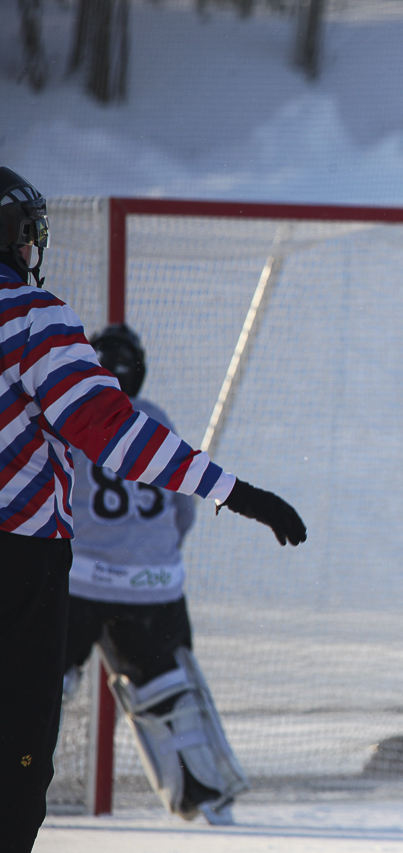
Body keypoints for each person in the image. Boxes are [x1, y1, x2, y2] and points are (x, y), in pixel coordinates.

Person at [0, 167, 306, 852]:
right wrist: (239, 493)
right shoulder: (31, 314)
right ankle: (201, 789)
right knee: (19, 751)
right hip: (34, 567)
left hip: (72, 582)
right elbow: (122, 437)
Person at [60, 324, 249, 826]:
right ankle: (209, 800)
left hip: (79, 582)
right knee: (169, 694)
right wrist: (149, 561)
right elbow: (182, 510)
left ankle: (20, 770)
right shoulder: (157, 420)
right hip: (154, 588)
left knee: (45, 678)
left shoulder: (69, 417)